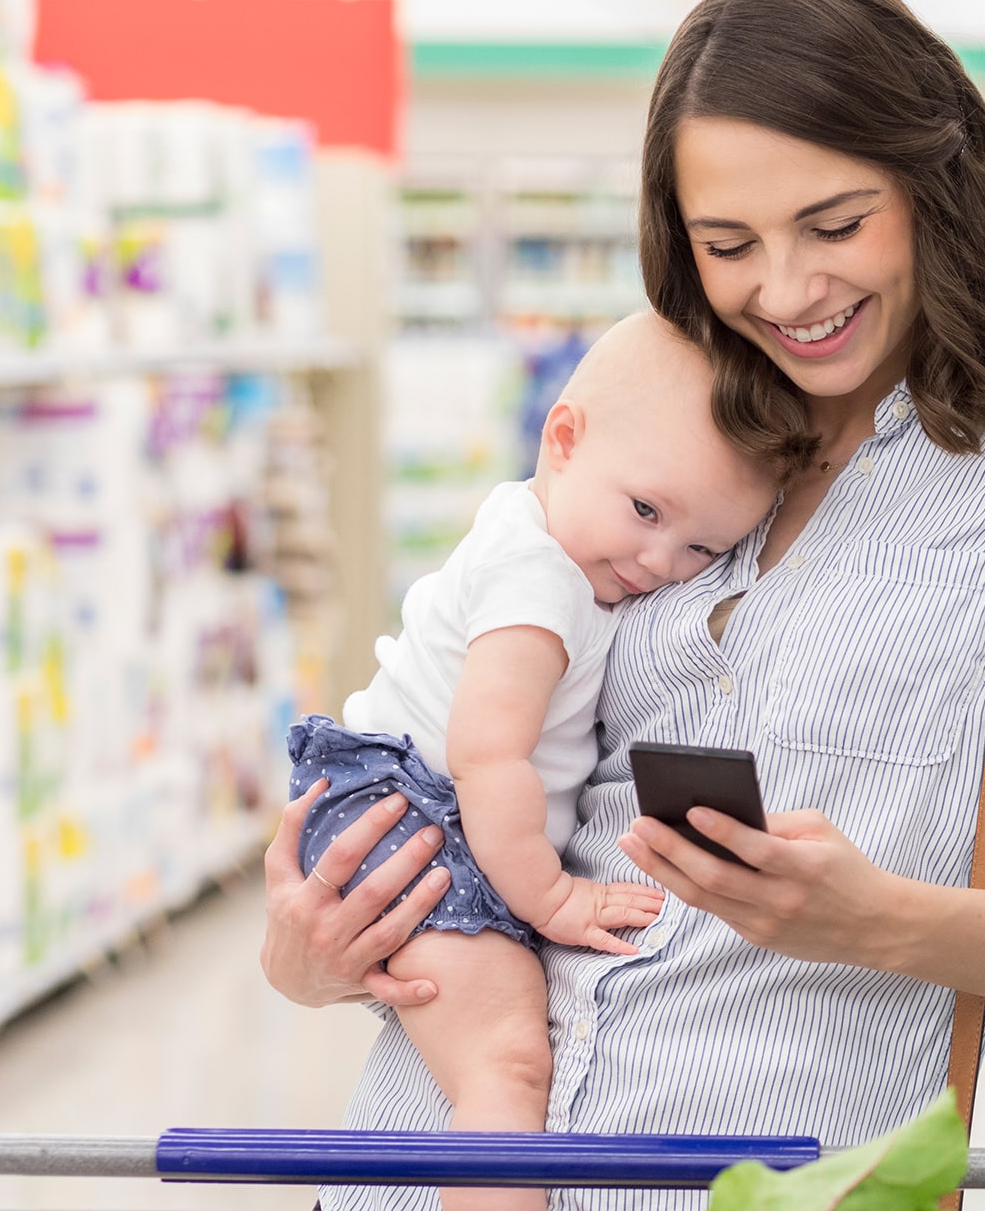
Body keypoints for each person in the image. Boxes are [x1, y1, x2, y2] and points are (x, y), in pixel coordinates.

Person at [260, 0, 985, 1211]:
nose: (786, 292)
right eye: (729, 244)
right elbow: (497, 767)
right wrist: (316, 950)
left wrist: (885, 921)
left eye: (835, 226)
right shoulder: (675, 447)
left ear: (932, 184)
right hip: (430, 1162)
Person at [286, 312, 777, 1211]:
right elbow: (487, 754)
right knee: (506, 1069)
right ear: (563, 438)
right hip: (420, 813)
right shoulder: (540, 581)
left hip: (427, 812)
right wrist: (552, 897)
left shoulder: (552, 540)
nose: (658, 559)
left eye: (702, 548)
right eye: (644, 511)